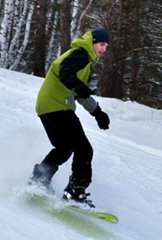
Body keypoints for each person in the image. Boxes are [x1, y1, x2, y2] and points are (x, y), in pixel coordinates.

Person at [28, 27, 110, 207]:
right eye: (101, 44)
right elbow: (66, 73)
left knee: (64, 147)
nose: (103, 49)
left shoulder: (84, 61)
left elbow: (79, 92)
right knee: (84, 149)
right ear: (92, 41)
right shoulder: (80, 54)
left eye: (106, 46)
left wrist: (98, 113)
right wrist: (78, 86)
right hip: (57, 106)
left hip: (45, 106)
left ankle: (40, 179)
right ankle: (76, 191)